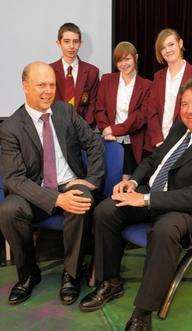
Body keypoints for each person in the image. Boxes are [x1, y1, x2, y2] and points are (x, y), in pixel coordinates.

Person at [79, 78, 192, 331]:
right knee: (106, 210)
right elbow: (154, 158)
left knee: (164, 231)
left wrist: (145, 199)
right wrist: (132, 182)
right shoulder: (181, 127)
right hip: (152, 194)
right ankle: (110, 281)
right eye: (185, 104)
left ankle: (142, 312)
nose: (190, 110)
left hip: (188, 208)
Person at [0, 61, 105, 306]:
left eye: (52, 85)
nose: (48, 91)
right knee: (8, 209)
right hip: (35, 191)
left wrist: (91, 181)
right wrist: (56, 199)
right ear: (25, 87)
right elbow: (14, 178)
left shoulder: (65, 111)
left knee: (80, 199)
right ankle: (28, 274)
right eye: (41, 85)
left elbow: (94, 144)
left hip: (70, 181)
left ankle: (71, 274)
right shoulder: (11, 127)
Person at [144, 28, 192, 153]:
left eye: (171, 44)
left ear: (180, 43)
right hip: (158, 144)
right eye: (163, 47)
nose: (167, 50)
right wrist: (158, 141)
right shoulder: (158, 76)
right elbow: (151, 111)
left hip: (185, 146)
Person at [95, 41, 151, 179]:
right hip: (109, 141)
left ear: (136, 58)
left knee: (127, 184)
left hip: (134, 143)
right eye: (119, 60)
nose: (124, 64)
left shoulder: (147, 85)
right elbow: (99, 109)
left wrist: (114, 129)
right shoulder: (107, 80)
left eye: (127, 59)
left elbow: (140, 117)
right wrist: (105, 129)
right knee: (109, 182)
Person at [50, 22, 99, 127]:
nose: (72, 46)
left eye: (75, 41)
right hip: (55, 128)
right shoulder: (49, 70)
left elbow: (93, 103)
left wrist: (84, 127)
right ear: (59, 43)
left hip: (82, 130)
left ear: (80, 43)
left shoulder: (92, 71)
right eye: (67, 41)